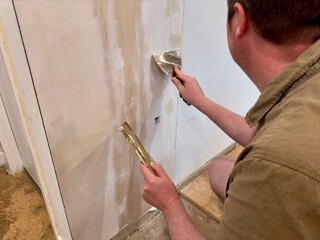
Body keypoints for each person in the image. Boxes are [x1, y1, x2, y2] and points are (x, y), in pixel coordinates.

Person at [141, 0, 320, 239]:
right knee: (219, 168)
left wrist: (170, 203)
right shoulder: (307, 88)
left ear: (239, 20)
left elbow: (274, 155)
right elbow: (260, 134)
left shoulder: (273, 165)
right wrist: (201, 101)